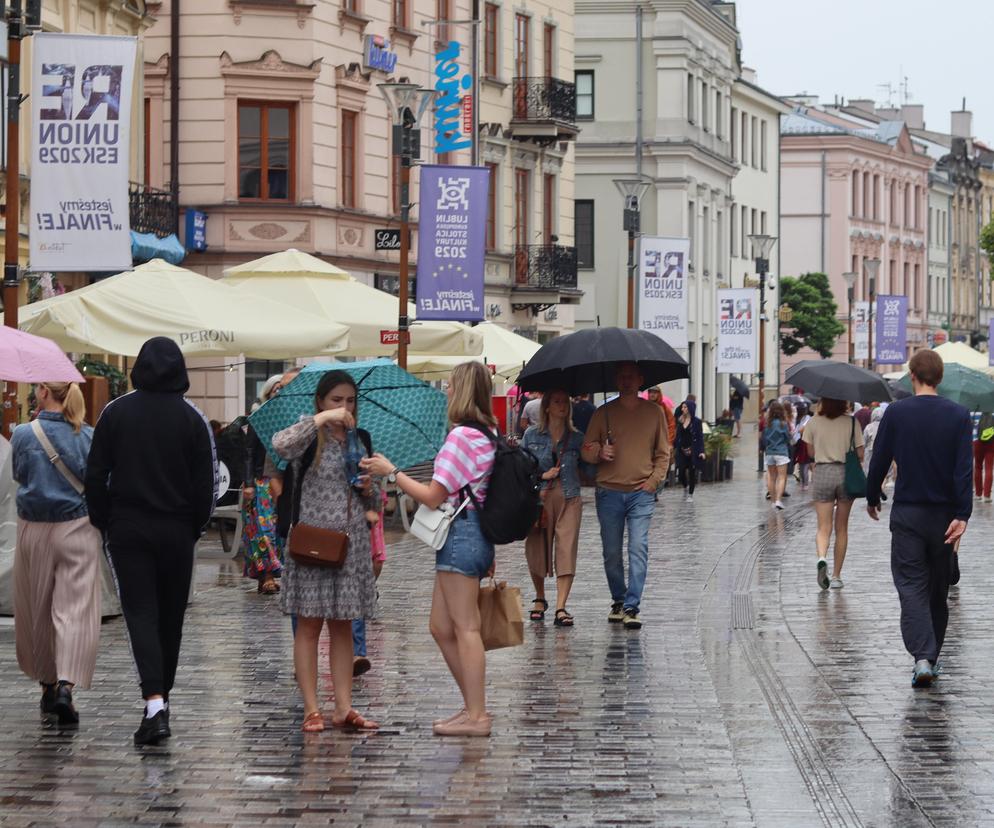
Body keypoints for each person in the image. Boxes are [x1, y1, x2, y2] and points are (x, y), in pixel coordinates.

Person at [85, 337, 218, 746]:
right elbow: (207, 484)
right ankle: (162, 700)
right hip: (177, 529)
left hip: (129, 527)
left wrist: (104, 520)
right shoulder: (192, 418)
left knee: (140, 613)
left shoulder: (115, 413)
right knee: (170, 617)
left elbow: (95, 475)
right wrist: (194, 526)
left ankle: (155, 703)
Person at [362, 361, 497, 736]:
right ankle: (471, 708)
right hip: (471, 535)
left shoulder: (462, 438)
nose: (448, 391)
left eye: (452, 385)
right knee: (440, 627)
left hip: (462, 536)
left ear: (464, 390)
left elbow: (434, 496)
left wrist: (391, 472)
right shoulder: (487, 433)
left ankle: (478, 716)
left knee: (466, 628)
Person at [273, 370, 380, 733]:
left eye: (349, 400)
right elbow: (281, 446)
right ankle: (311, 709)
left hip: (350, 547)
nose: (344, 407)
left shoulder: (358, 439)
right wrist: (321, 419)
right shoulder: (309, 434)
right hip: (314, 544)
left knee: (343, 627)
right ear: (321, 401)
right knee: (308, 626)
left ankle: (343, 707)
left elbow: (374, 500)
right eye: (336, 400)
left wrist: (369, 488)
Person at [867, 349, 972, 688]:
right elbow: (963, 471)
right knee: (937, 590)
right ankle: (931, 656)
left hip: (909, 512)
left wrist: (872, 496)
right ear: (938, 378)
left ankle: (923, 656)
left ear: (912, 375)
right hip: (944, 516)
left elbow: (880, 458)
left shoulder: (896, 413)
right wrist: (963, 514)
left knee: (911, 585)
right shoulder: (958, 416)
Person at [11, 382, 102, 726]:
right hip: (76, 526)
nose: (34, 392)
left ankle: (48, 686)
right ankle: (66, 685)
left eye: (36, 387)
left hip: (33, 527)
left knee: (38, 607)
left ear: (47, 392)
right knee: (74, 608)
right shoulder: (87, 435)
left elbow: (20, 476)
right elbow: (97, 481)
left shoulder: (22, 434)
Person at [581, 362, 670, 630]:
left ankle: (632, 605)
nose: (627, 380)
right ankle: (618, 599)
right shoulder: (603, 413)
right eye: (621, 376)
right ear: (616, 380)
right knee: (611, 552)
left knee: (637, 547)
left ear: (641, 379)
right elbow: (585, 449)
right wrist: (599, 452)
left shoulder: (654, 413)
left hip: (641, 493)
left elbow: (663, 453)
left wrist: (653, 482)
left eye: (631, 376)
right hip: (609, 492)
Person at [521, 390, 584, 627]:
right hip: (540, 498)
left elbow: (589, 467)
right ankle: (540, 597)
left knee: (566, 549)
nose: (562, 406)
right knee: (537, 548)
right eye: (557, 402)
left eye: (565, 402)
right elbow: (522, 469)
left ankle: (560, 606)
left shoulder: (576, 437)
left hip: (570, 497)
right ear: (546, 407)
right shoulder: (531, 435)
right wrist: (541, 475)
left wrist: (600, 453)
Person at [802, 398, 863, 590]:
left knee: (823, 527)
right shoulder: (852, 422)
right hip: (846, 473)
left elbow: (810, 451)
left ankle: (821, 558)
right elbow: (860, 453)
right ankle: (836, 576)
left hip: (822, 472)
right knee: (841, 527)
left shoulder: (813, 422)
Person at [241, 373, 292, 595]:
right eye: (275, 389)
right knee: (262, 530)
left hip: (283, 481)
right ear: (268, 393)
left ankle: (267, 574)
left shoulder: (292, 418)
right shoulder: (258, 417)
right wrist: (249, 481)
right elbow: (249, 452)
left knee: (278, 531)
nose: (279, 392)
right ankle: (267, 575)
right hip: (261, 481)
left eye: (283, 389)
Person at [674, 399, 705, 502]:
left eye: (685, 407)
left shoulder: (696, 422)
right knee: (681, 471)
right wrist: (674, 446)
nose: (683, 409)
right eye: (682, 407)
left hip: (693, 450)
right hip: (682, 450)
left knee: (692, 472)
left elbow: (700, 437)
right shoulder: (680, 420)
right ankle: (685, 485)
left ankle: (690, 494)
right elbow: (678, 435)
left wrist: (701, 451)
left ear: (690, 408)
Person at [763, 401, 791, 510]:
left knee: (771, 477)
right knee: (782, 477)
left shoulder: (767, 424)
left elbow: (764, 439)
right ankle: (779, 500)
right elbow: (787, 438)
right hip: (781, 452)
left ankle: (773, 501)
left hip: (770, 452)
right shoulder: (783, 424)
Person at [973, 410, 994, 503]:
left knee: (978, 467)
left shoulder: (974, 411)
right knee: (989, 468)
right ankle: (987, 496)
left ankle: (978, 494)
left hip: (977, 441)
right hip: (991, 442)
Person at [794, 403, 813, 491]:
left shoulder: (807, 418)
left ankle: (805, 483)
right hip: (798, 443)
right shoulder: (796, 419)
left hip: (805, 443)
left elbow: (802, 430)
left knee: (805, 464)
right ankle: (803, 482)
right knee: (801, 464)